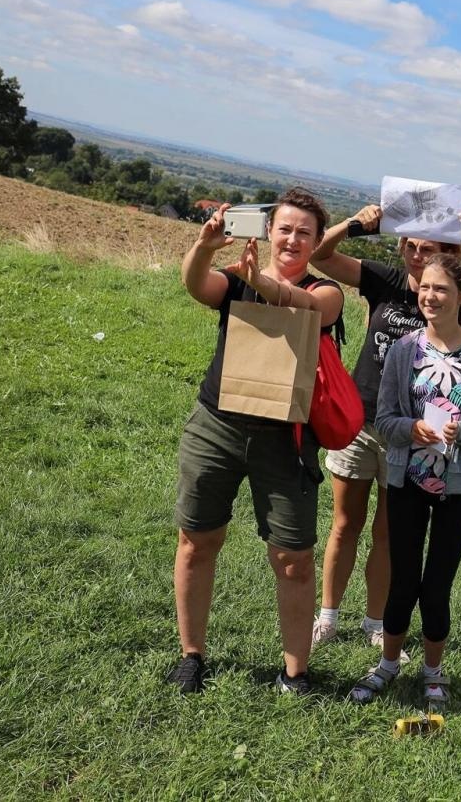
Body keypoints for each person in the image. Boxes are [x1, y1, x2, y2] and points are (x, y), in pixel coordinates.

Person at [306, 206, 461, 651]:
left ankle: (375, 622)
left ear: (447, 252)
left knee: (388, 533)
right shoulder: (383, 280)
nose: (414, 254)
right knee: (344, 524)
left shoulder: (455, 297)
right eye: (408, 244)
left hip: (412, 440)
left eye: (426, 248)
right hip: (362, 421)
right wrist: (356, 224)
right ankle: (327, 616)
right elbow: (320, 256)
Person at [166, 189, 345, 696]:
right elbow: (197, 286)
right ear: (269, 232)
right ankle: (191, 655)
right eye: (285, 229)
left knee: (293, 558)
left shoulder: (326, 290)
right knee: (197, 540)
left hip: (287, 439)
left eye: (304, 232)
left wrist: (260, 281)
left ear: (314, 242)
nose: (292, 238)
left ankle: (295, 673)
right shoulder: (235, 281)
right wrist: (204, 248)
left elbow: (306, 305)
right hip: (216, 425)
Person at [348, 253, 461, 708]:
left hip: (458, 487)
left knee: (436, 586)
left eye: (441, 289)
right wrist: (410, 429)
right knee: (402, 581)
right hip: (407, 478)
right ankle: (388, 666)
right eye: (425, 288)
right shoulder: (404, 350)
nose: (430, 296)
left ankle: (433, 674)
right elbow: (385, 417)